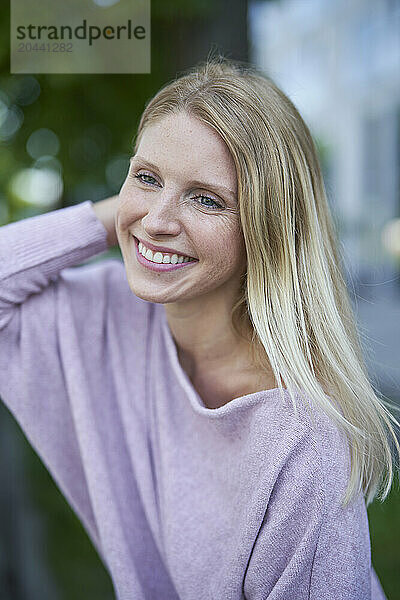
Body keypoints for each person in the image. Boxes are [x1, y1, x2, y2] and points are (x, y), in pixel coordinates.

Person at [0, 55, 398, 599]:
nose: (159, 221)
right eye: (145, 176)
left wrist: (148, 197)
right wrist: (118, 217)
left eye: (206, 199)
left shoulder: (301, 445)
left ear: (267, 229)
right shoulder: (104, 314)